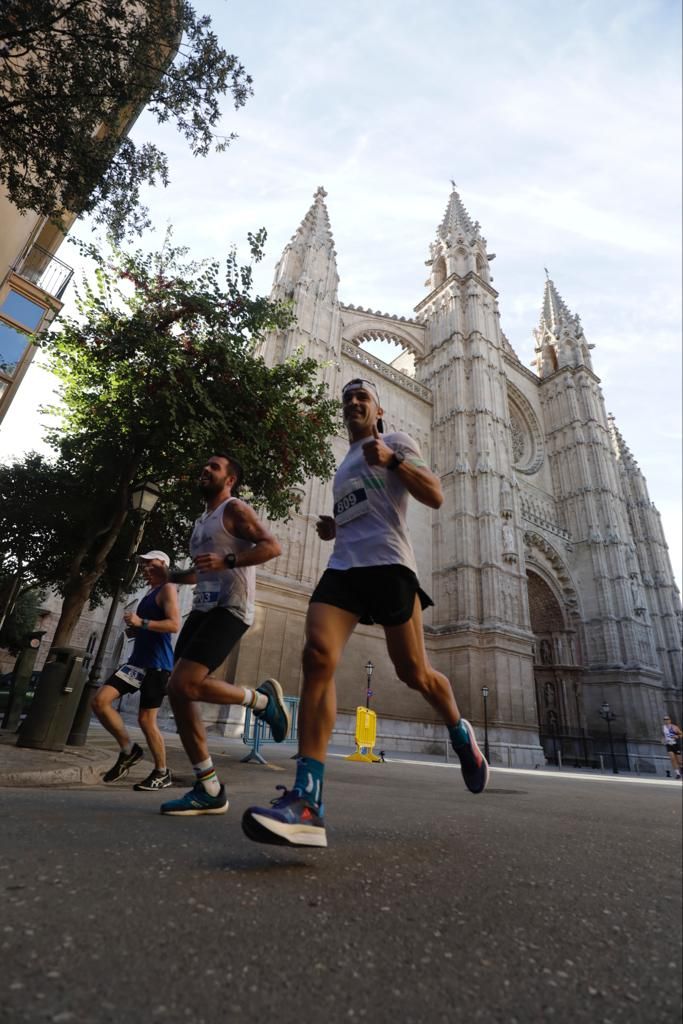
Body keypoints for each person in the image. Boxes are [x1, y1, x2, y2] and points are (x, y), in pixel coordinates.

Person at [242, 378, 489, 849]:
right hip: (344, 570)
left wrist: (395, 460)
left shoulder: (394, 442)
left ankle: (460, 732)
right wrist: (337, 525)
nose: (353, 403)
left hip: (391, 566)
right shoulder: (344, 466)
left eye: (362, 398)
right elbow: (365, 509)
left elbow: (434, 494)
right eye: (347, 399)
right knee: (317, 656)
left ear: (378, 412)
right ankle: (308, 801)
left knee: (415, 673)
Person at [159, 452, 288, 816]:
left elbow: (272, 547)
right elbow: (202, 572)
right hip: (202, 608)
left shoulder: (235, 509)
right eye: (205, 465)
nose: (205, 469)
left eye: (214, 467)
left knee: (184, 684)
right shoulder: (202, 523)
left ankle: (261, 701)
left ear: (230, 479)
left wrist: (229, 561)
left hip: (230, 608)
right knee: (178, 690)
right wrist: (168, 577)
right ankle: (209, 786)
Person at [93, 551, 180, 790]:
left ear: (163, 565)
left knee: (146, 720)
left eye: (150, 565)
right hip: (136, 663)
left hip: (157, 664)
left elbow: (174, 624)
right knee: (100, 702)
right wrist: (135, 630)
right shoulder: (148, 594)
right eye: (143, 565)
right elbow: (148, 627)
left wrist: (141, 622)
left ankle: (162, 772)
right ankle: (129, 750)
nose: (144, 569)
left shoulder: (168, 589)